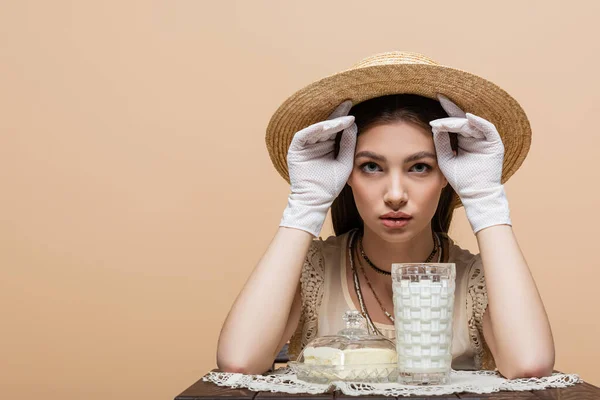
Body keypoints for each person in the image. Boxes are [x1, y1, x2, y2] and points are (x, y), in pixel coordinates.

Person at [216, 52, 555, 380]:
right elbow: (239, 362)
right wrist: (306, 203)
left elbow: (529, 365)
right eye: (372, 167)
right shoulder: (312, 271)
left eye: (420, 167)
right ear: (345, 172)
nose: (395, 194)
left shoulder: (474, 281)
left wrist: (485, 198)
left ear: (447, 176)